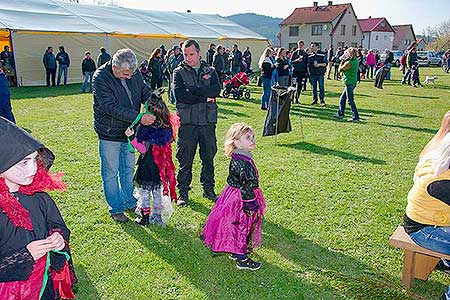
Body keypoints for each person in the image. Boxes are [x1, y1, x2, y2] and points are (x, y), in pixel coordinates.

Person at [0, 117, 76, 299]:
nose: (33, 168)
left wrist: (57, 235)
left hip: (43, 284)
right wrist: (26, 256)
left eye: (35, 159)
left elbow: (56, 223)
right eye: (23, 162)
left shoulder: (39, 197)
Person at [92, 48, 158, 223]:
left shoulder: (133, 73)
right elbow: (109, 107)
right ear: (115, 66)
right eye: (125, 74)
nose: (129, 77)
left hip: (130, 132)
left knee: (128, 170)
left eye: (131, 74)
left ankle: (129, 200)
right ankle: (116, 207)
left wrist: (153, 100)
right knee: (111, 172)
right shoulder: (100, 77)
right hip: (109, 133)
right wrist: (139, 117)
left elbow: (143, 90)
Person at [201, 123, 266, 271]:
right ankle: (242, 258)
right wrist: (251, 204)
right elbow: (247, 185)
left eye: (253, 137)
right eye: (248, 138)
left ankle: (236, 251)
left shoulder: (240, 157)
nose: (252, 140)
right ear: (236, 142)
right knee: (242, 225)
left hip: (233, 194)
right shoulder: (243, 162)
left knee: (235, 224)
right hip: (241, 198)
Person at [403, 111, 450, 300]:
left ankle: (445, 262)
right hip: (424, 230)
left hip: (432, 221)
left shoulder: (438, 156)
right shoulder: (440, 182)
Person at [173, 39, 221, 206]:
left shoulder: (210, 70)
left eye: (191, 54)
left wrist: (194, 91)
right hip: (188, 122)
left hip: (207, 122)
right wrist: (203, 96)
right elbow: (181, 96)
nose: (188, 58)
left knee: (208, 157)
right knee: (185, 158)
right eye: (185, 54)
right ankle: (183, 193)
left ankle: (209, 190)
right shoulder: (178, 72)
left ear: (199, 53)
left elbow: (216, 90)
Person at [126, 95, 179, 226]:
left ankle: (145, 218)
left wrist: (131, 137)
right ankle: (157, 216)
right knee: (157, 193)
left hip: (147, 166)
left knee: (144, 193)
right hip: (160, 167)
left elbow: (143, 149)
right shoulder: (166, 127)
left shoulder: (146, 130)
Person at [333, 47, 360, 122]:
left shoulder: (349, 63)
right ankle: (340, 113)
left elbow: (340, 69)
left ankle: (356, 117)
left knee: (350, 100)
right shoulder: (355, 60)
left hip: (349, 82)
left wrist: (342, 61)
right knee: (343, 98)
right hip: (352, 81)